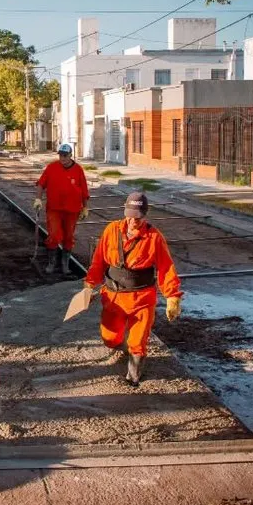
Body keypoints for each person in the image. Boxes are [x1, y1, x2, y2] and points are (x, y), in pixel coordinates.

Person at [83, 192, 181, 386]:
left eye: (138, 217)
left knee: (138, 341)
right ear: (124, 211)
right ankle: (123, 346)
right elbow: (98, 260)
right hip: (114, 297)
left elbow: (166, 267)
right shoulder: (111, 230)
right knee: (110, 338)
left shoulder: (154, 237)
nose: (133, 220)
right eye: (130, 215)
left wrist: (172, 296)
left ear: (145, 215)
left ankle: (134, 375)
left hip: (142, 299)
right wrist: (89, 285)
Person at [34, 143, 89, 274]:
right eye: (60, 155)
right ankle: (52, 263)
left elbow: (84, 191)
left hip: (72, 210)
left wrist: (85, 207)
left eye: (65, 155)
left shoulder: (78, 170)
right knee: (54, 235)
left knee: (69, 237)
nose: (62, 158)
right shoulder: (52, 167)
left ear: (70, 155)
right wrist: (38, 199)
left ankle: (65, 264)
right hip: (54, 209)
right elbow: (41, 184)